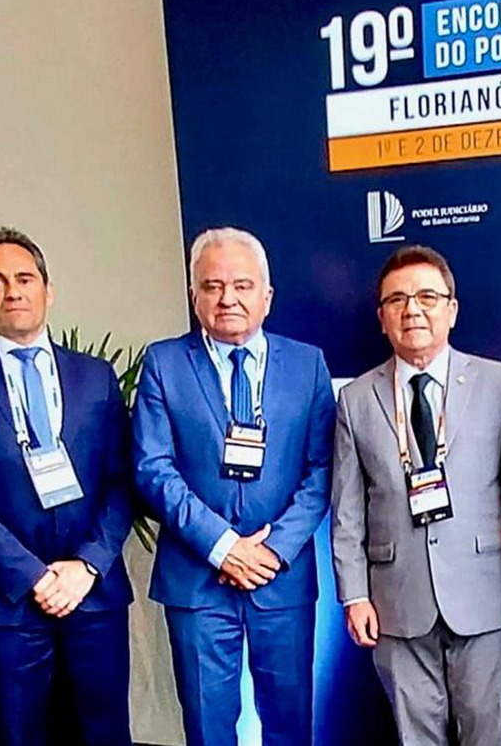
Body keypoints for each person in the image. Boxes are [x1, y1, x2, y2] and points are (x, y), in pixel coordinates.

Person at [0, 228, 135, 746]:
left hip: (93, 593)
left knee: (105, 734)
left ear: (47, 289)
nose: (12, 291)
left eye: (24, 278)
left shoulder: (95, 376)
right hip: (7, 600)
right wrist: (35, 578)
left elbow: (122, 481)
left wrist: (86, 566)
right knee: (20, 736)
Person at [131, 227, 335, 746]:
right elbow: (153, 468)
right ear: (194, 295)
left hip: (280, 578)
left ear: (266, 296)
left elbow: (321, 469)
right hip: (197, 581)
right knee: (207, 725)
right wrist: (223, 548)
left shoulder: (308, 364)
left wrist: (271, 549)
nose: (228, 299)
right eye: (212, 285)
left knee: (290, 722)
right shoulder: (163, 363)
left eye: (242, 285)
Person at [330, 245, 501, 746]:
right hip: (395, 600)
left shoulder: (500, 383)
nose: (412, 309)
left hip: (484, 593)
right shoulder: (355, 398)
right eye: (397, 300)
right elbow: (348, 509)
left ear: (451, 310)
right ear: (381, 318)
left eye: (427, 297)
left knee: (488, 734)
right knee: (415, 738)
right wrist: (353, 595)